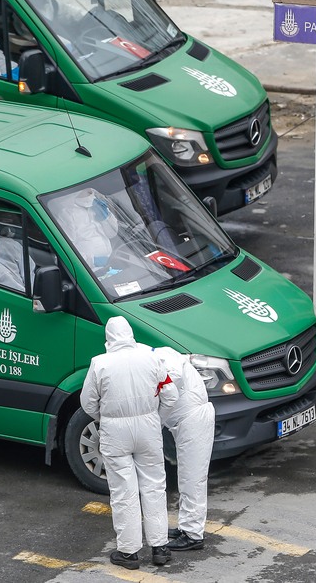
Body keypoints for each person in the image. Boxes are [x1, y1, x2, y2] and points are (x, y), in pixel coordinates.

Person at [80, 316, 175, 570]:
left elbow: (87, 402)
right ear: (130, 334)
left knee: (124, 491)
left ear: (108, 338)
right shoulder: (150, 357)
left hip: (115, 431)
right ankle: (160, 548)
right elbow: (171, 395)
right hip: (148, 428)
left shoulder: (100, 363)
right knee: (154, 486)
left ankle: (129, 553)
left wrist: (107, 418)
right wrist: (157, 418)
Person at [154, 346, 215, 552]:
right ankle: (186, 526)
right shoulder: (159, 354)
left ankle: (193, 535)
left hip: (193, 420)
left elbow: (174, 379)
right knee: (186, 477)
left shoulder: (159, 358)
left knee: (193, 479)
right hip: (188, 420)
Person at [55, 188, 119, 269]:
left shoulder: (97, 205)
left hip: (109, 262)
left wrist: (105, 219)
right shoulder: (67, 214)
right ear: (74, 193)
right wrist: (91, 261)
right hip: (88, 269)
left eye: (92, 192)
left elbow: (112, 234)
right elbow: (66, 248)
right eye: (88, 192)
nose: (92, 195)